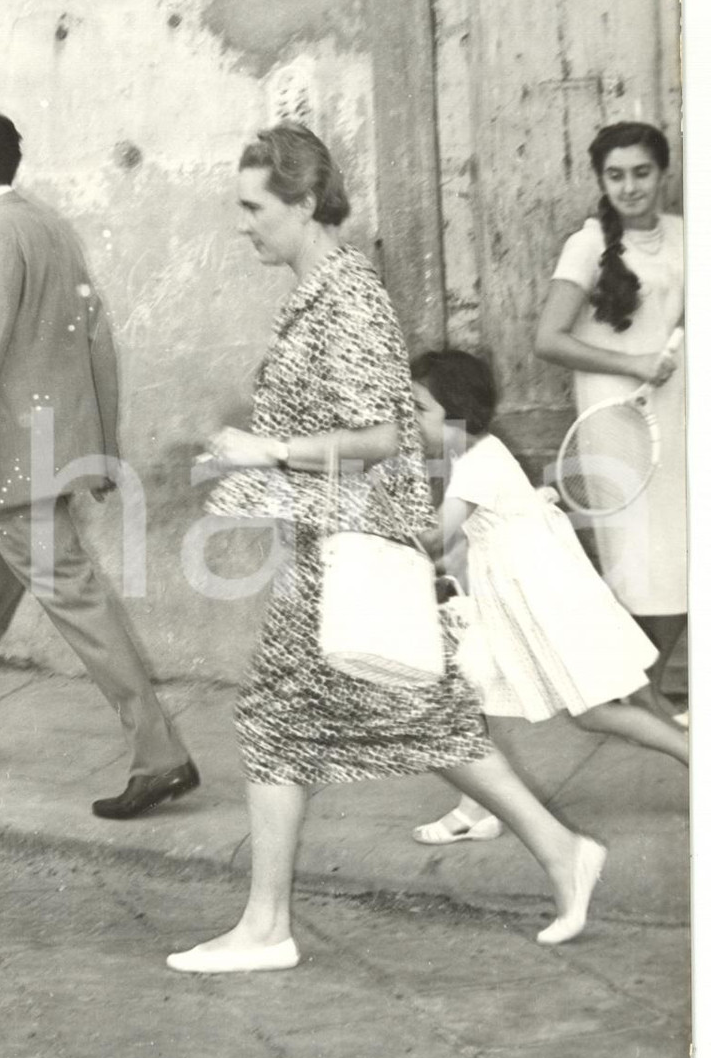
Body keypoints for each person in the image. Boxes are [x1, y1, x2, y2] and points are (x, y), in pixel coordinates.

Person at [167, 122, 606, 971]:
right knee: (388, 716)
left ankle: (267, 927)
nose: (243, 223)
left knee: (292, 718)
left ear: (302, 203)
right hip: (330, 546)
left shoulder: (351, 297)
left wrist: (266, 450)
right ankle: (559, 851)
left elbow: (376, 434)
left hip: (349, 548)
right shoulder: (321, 291)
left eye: (254, 206)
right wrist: (248, 461)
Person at [0, 107, 198, 820]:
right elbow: (97, 340)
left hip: (12, 466)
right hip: (26, 462)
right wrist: (99, 448)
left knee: (79, 605)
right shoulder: (49, 225)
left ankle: (160, 755)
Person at [408, 349, 687, 846]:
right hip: (519, 598)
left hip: (544, 603)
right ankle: (479, 808)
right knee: (477, 689)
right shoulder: (476, 454)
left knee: (594, 713)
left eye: (418, 408)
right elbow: (465, 541)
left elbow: (437, 537)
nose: (409, 419)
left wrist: (370, 529)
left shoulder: (475, 463)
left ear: (456, 410)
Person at [535, 122, 685, 725]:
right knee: (636, 561)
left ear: (663, 174)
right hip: (616, 419)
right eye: (616, 175)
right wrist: (633, 363)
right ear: (601, 180)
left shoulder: (685, 232)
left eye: (642, 172)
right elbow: (547, 339)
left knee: (683, 555)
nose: (630, 187)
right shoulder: (588, 243)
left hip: (680, 410)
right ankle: (629, 690)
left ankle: (641, 687)